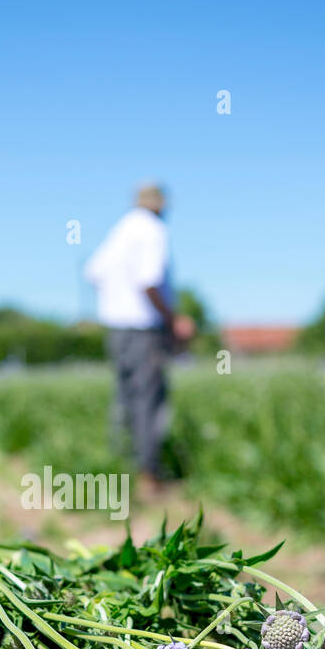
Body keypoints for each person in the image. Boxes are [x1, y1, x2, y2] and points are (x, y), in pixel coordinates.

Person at [83, 185, 195, 497]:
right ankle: (149, 476)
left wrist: (115, 300)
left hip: (116, 328)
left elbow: (93, 272)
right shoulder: (152, 230)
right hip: (144, 328)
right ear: (160, 204)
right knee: (149, 399)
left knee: (126, 397)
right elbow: (149, 281)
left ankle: (123, 468)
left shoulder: (121, 229)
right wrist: (173, 319)